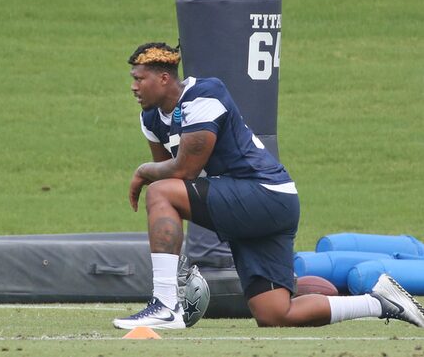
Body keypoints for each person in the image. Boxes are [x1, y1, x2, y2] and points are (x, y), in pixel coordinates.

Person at [114, 41, 424, 329]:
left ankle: (165, 304)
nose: (133, 86)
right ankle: (380, 302)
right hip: (251, 203)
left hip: (266, 195)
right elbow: (171, 175)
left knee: (158, 192)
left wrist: (143, 172)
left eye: (140, 78)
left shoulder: (204, 94)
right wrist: (175, 257)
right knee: (274, 313)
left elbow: (184, 170)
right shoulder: (151, 118)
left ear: (165, 78)